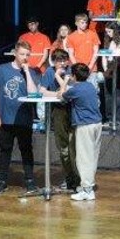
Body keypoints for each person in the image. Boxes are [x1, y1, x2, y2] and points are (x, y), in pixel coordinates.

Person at [0, 40, 42, 195]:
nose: (25, 57)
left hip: (24, 119)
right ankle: (2, 180)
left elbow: (33, 94)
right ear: (15, 53)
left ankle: (30, 180)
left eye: (27, 54)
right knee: (5, 149)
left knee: (26, 149)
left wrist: (26, 72)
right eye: (22, 54)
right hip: (5, 117)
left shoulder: (31, 72)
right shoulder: (2, 69)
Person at [63, 63, 103, 201]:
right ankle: (88, 185)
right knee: (92, 157)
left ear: (74, 76)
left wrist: (64, 81)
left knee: (84, 158)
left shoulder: (76, 89)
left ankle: (87, 190)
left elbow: (61, 95)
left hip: (85, 126)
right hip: (97, 124)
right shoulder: (90, 86)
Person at [42, 49, 81, 192]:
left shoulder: (71, 71)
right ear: (54, 61)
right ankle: (69, 177)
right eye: (59, 61)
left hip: (73, 111)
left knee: (74, 147)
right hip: (58, 111)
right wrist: (56, 94)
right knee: (63, 148)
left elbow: (70, 90)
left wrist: (60, 85)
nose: (63, 63)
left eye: (65, 60)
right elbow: (42, 91)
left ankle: (78, 178)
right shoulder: (49, 71)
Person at [66, 13, 102, 84]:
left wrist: (90, 67)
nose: (85, 24)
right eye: (82, 22)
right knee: (76, 89)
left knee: (92, 88)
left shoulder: (93, 34)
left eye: (86, 22)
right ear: (76, 23)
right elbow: (71, 54)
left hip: (91, 68)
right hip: (77, 69)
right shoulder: (71, 37)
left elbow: (96, 52)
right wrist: (78, 68)